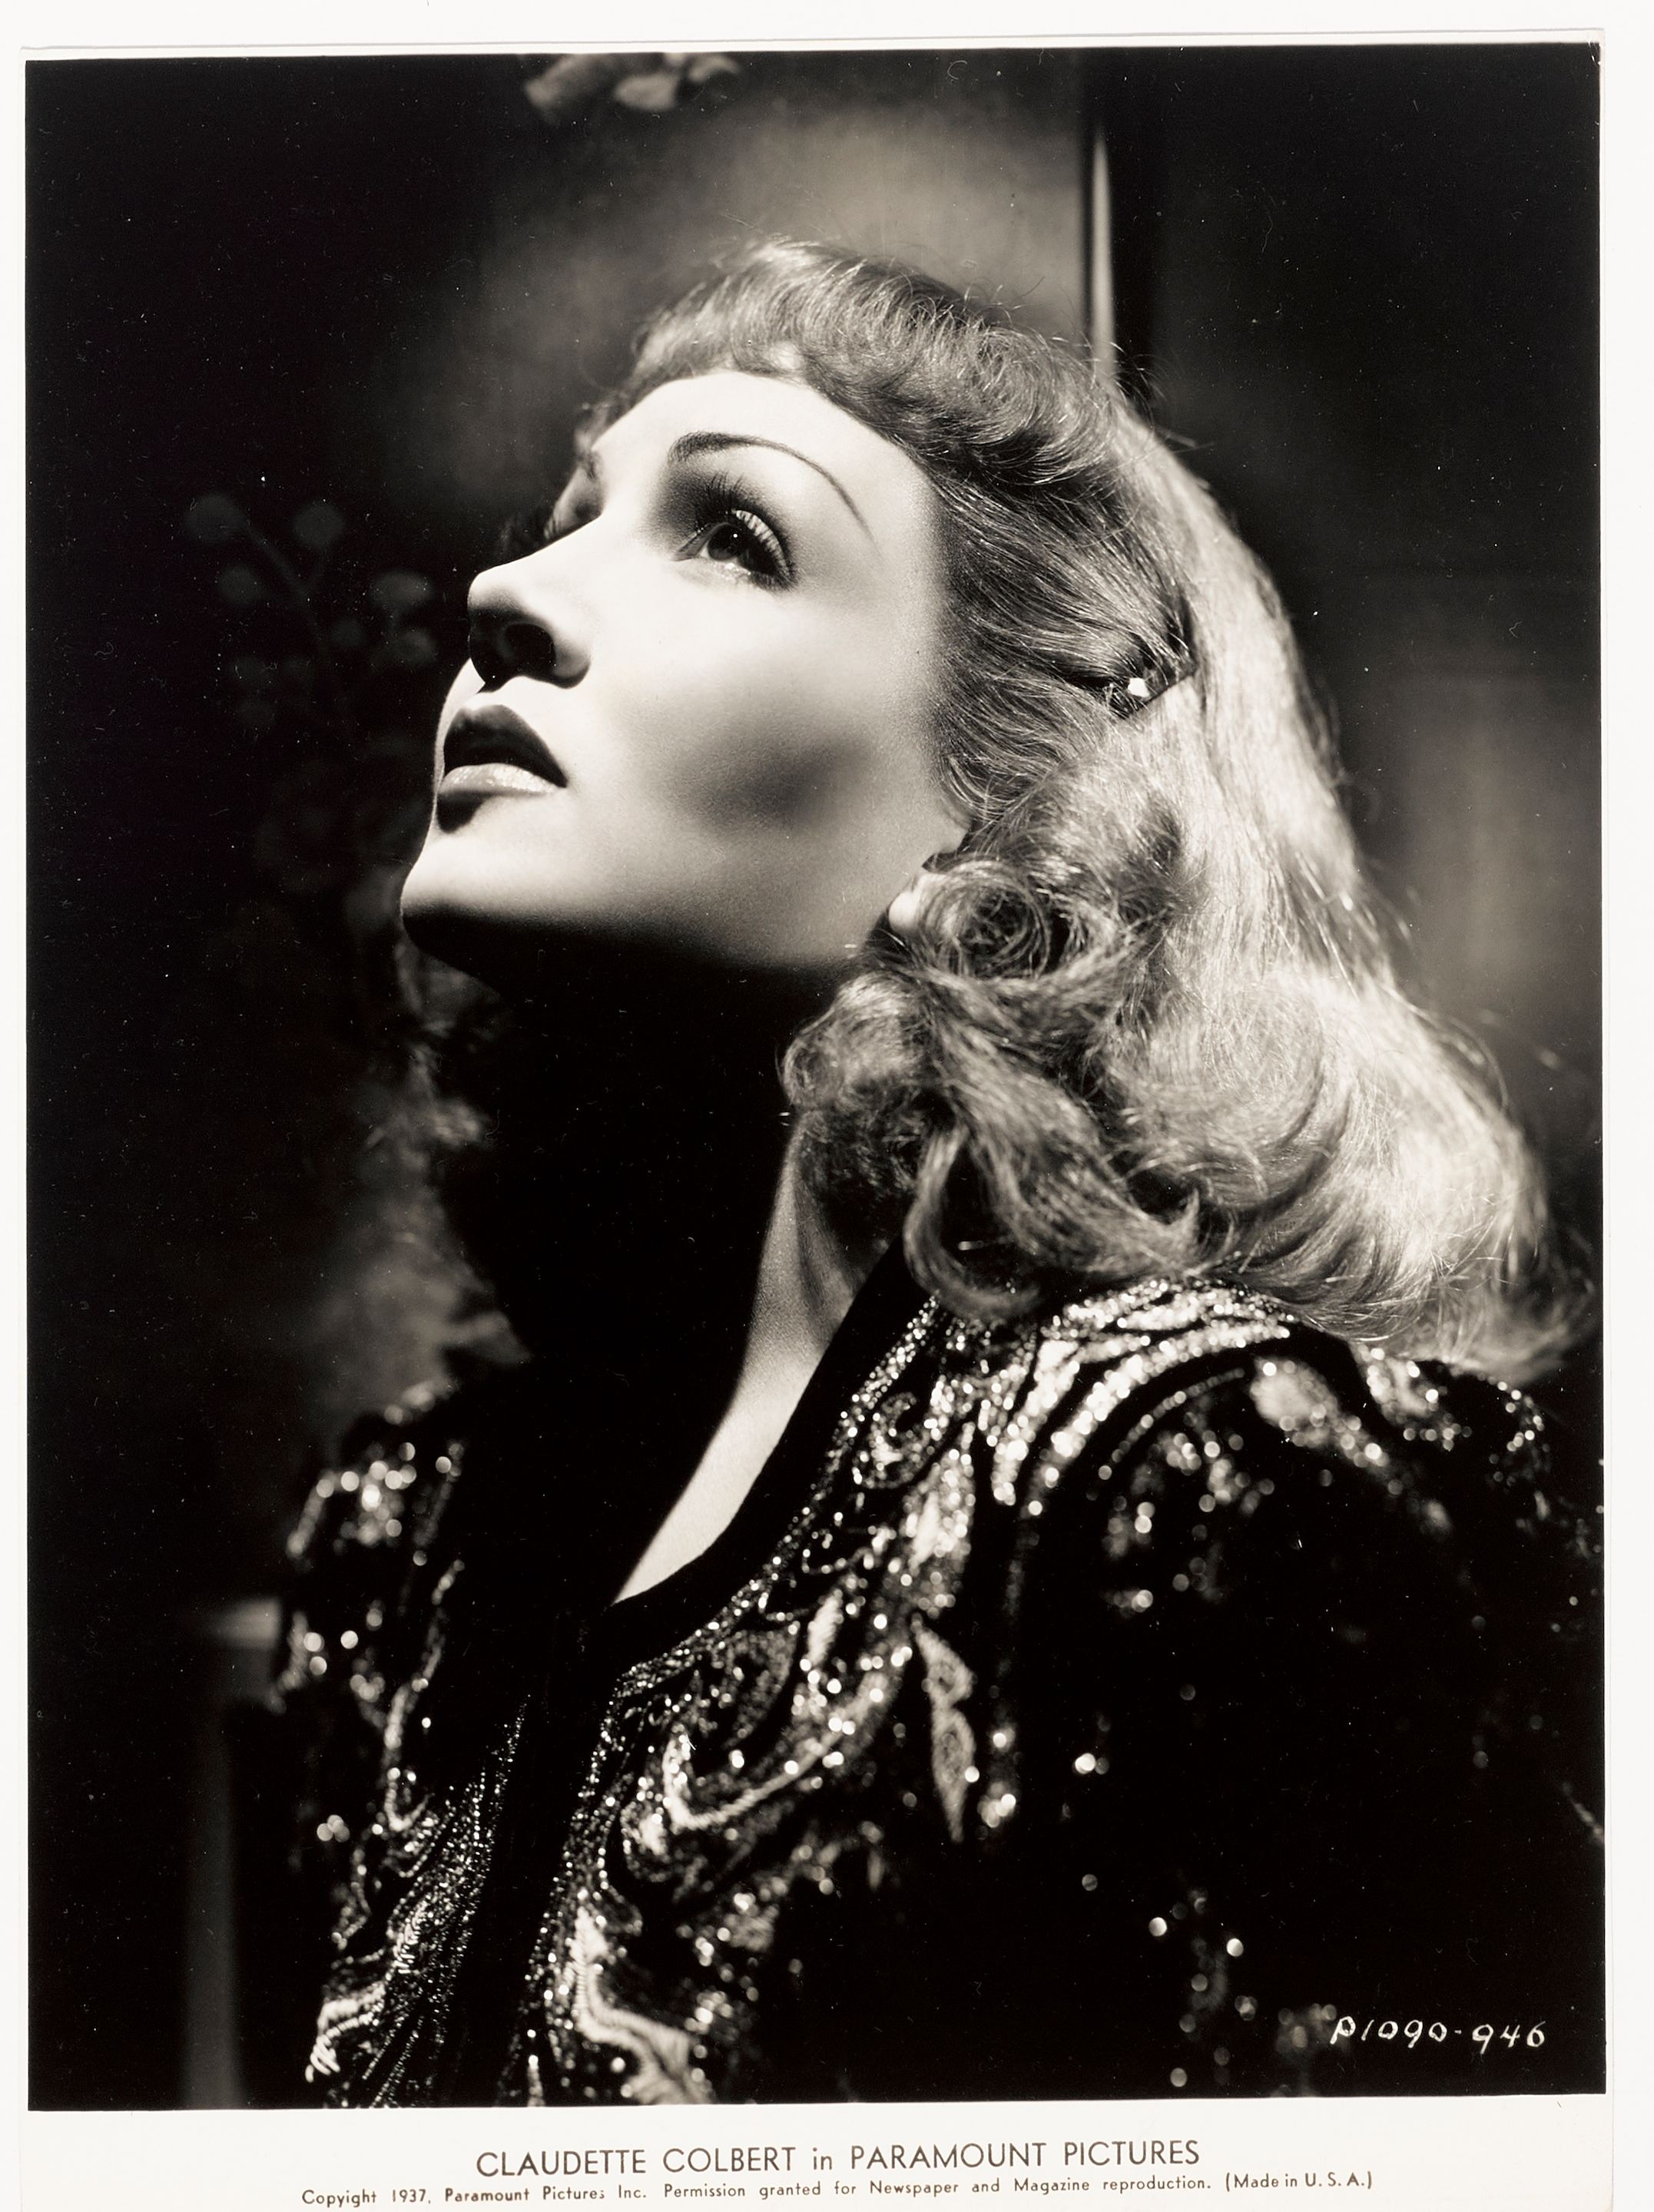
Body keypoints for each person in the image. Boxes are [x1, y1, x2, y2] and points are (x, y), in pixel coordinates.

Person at [267, 242, 1601, 2108]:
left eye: (733, 535)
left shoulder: (1200, 1481)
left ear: (1019, 788)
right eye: (567, 518)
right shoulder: (412, 1533)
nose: (504, 593)